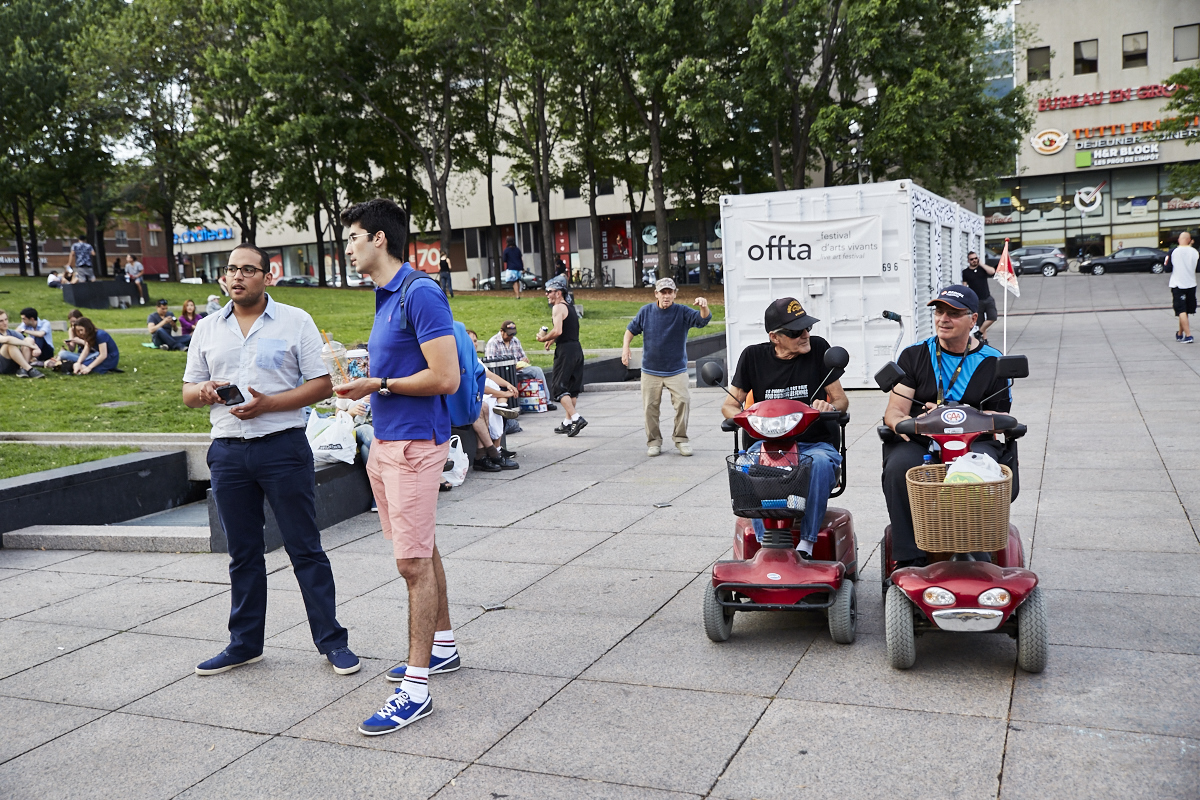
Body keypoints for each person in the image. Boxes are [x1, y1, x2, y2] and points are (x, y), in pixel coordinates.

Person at [182, 242, 359, 678]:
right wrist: (205, 392)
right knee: (243, 553)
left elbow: (322, 385)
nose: (237, 277)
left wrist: (269, 405)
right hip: (227, 452)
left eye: (247, 269)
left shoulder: (296, 321)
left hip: (282, 447)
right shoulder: (207, 328)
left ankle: (332, 642)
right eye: (230, 270)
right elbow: (188, 392)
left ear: (267, 275)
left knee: (305, 548)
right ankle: (244, 644)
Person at [332, 198, 461, 736]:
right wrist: (368, 396)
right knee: (422, 548)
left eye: (354, 237)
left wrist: (378, 385)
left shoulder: (420, 292)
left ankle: (416, 687)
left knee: (411, 566)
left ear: (380, 239)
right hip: (386, 442)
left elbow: (446, 378)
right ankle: (444, 647)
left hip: (413, 447)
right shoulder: (386, 297)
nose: (349, 247)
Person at [881, 285, 1010, 569]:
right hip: (921, 442)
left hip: (974, 442)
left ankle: (976, 548)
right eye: (939, 311)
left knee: (980, 470)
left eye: (954, 313)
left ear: (973, 320)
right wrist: (909, 422)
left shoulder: (993, 361)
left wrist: (955, 414)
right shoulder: (914, 356)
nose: (943, 319)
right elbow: (895, 410)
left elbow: (998, 417)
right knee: (900, 467)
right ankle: (908, 559)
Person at [721, 298, 848, 557]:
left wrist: (830, 408)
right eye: (795, 332)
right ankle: (765, 543)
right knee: (745, 463)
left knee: (820, 463)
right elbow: (729, 406)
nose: (805, 335)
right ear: (775, 337)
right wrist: (743, 416)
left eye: (807, 328)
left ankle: (807, 544)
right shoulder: (753, 357)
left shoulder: (820, 350)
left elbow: (841, 400)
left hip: (814, 444)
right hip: (768, 445)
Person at [623, 277, 711, 457]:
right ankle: (654, 442)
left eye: (670, 292)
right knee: (650, 408)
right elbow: (630, 330)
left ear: (675, 294)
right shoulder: (646, 311)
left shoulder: (682, 312)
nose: (666, 296)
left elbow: (702, 320)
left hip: (676, 369)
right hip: (650, 370)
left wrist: (704, 306)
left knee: (683, 402)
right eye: (663, 292)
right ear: (656, 294)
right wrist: (626, 348)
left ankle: (681, 439)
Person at [537, 277, 587, 436]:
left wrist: (543, 338)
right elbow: (566, 330)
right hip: (576, 349)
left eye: (549, 291)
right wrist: (551, 341)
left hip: (566, 351)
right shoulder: (570, 307)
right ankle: (567, 423)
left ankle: (576, 418)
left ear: (558, 293)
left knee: (558, 387)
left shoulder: (558, 307)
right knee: (571, 389)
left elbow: (558, 330)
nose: (547, 294)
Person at [484, 321, 556, 411]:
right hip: (502, 373)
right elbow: (492, 364)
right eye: (509, 334)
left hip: (519, 370)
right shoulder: (493, 343)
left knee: (537, 370)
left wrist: (524, 361)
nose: (511, 336)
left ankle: (546, 401)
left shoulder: (515, 341)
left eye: (513, 334)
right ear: (501, 331)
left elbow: (523, 357)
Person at [1168, 231, 1198, 344]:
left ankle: (1189, 335)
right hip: (1191, 284)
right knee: (1185, 310)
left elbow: (1167, 268)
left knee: (1181, 310)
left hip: (1178, 284)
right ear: (1190, 240)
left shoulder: (1173, 252)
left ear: (1179, 240)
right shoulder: (1195, 252)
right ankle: (1180, 334)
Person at [961, 251, 997, 343]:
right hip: (977, 301)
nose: (974, 260)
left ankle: (978, 333)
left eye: (976, 258)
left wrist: (981, 264)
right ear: (968, 261)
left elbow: (992, 271)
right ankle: (985, 341)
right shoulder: (966, 272)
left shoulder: (982, 269)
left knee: (992, 317)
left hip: (987, 297)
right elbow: (964, 286)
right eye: (972, 259)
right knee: (980, 322)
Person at [0, 309, 46, 378]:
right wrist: (30, 345)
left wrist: (36, 348)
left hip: (14, 363)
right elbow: (7, 339)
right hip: (2, 365)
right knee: (9, 344)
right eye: (1, 321)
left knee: (28, 339)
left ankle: (22, 369)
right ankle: (29, 369)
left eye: (6, 319)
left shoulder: (11, 332)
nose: (5, 323)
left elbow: (28, 340)